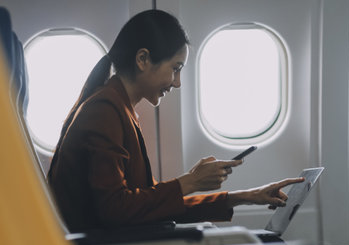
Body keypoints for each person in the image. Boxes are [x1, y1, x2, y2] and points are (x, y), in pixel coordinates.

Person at [47, 9, 303, 233]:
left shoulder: (119, 108)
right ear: (143, 59)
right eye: (175, 68)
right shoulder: (104, 110)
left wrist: (244, 197)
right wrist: (190, 182)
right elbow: (115, 209)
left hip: (113, 240)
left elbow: (146, 205)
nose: (177, 82)